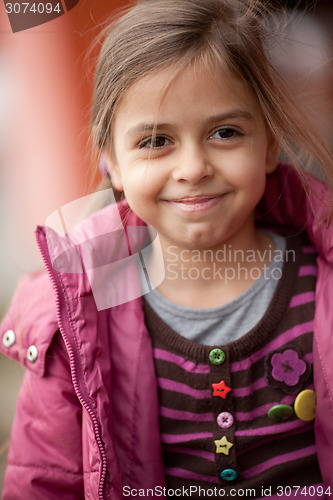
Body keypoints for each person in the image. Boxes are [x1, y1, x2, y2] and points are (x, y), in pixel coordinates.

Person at [1, 0, 333, 498]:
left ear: (267, 143)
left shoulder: (323, 288)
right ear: (111, 160)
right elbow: (46, 481)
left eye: (225, 132)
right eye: (156, 140)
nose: (193, 167)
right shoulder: (77, 317)